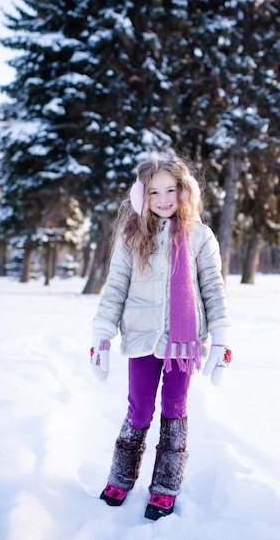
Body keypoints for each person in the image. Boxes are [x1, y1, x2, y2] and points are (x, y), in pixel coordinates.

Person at [90, 154, 232, 521]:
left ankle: (166, 486)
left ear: (185, 192)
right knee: (139, 409)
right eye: (155, 192)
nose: (164, 198)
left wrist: (222, 337)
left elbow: (213, 288)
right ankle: (121, 478)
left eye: (171, 189)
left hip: (182, 344)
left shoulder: (200, 236)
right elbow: (116, 287)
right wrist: (102, 336)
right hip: (140, 339)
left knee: (175, 410)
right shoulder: (131, 235)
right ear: (143, 197)